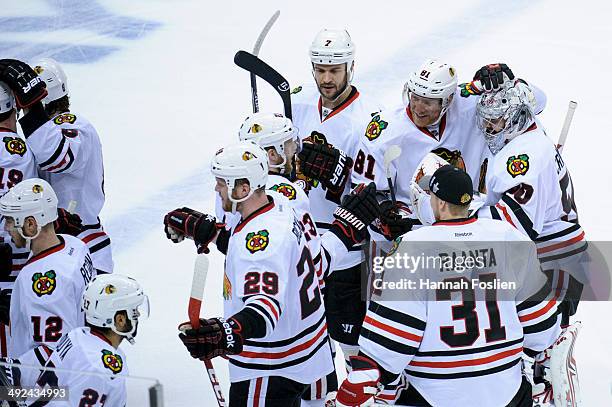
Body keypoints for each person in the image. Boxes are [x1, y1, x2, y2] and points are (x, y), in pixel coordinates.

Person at [169, 141, 377, 406]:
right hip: (312, 353)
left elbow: (264, 311)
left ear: (243, 189)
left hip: (271, 367)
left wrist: (226, 332)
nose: (216, 189)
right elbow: (317, 264)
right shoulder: (281, 204)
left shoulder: (260, 245)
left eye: (222, 182)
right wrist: (345, 230)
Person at [335, 165, 563, 407]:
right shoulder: (508, 236)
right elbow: (543, 329)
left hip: (436, 395)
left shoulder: (412, 248)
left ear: (441, 203)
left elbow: (391, 342)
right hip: (509, 394)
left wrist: (363, 377)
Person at [351, 61, 547, 240]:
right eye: (415, 98)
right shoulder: (382, 132)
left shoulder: (469, 101)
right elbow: (362, 190)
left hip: (470, 228)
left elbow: (538, 102)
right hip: (412, 235)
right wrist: (384, 212)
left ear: (448, 99)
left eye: (428, 102)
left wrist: (511, 81)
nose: (418, 108)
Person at [291, 28, 384, 369]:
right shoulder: (297, 105)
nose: (326, 78)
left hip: (346, 251)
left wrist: (337, 174)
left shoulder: (370, 119)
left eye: (334, 70)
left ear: (350, 67)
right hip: (299, 245)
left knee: (353, 347)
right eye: (320, 69)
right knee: (305, 346)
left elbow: (373, 194)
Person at [0, 58, 113, 274]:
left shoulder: (74, 124)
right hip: (53, 247)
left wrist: (32, 104)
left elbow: (56, 156)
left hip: (83, 246)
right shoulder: (41, 134)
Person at [0, 273, 149, 406]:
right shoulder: (101, 368)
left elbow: (61, 394)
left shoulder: (78, 336)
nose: (138, 316)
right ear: (120, 320)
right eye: (134, 311)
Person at [0, 178, 95, 358]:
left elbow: (54, 354)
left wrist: (10, 377)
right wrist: (19, 311)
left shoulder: (43, 284)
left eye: (11, 221)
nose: (6, 228)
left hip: (42, 385)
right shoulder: (74, 245)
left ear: (30, 224)